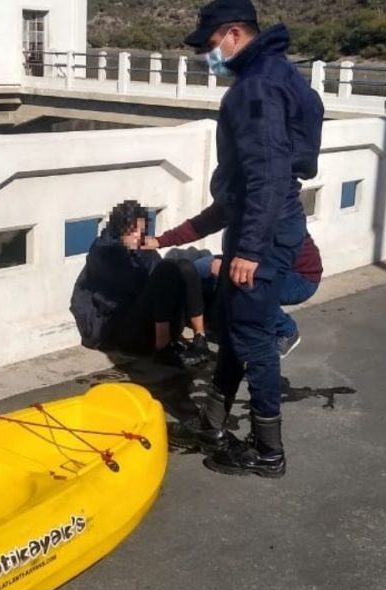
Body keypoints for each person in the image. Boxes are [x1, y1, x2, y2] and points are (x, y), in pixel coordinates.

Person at [153, 0, 324, 477]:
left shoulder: (256, 88)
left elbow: (266, 173)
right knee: (233, 328)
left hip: (262, 229)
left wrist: (248, 249)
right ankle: (211, 424)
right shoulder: (277, 73)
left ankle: (269, 451)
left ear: (232, 34)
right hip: (262, 218)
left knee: (252, 338)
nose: (208, 55)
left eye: (210, 45)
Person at [151, 214, 323, 358]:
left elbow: (272, 263)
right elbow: (202, 224)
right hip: (258, 265)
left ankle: (287, 331)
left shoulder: (273, 212)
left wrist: (227, 268)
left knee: (240, 283)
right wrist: (159, 241)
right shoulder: (237, 199)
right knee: (201, 267)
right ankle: (211, 325)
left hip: (299, 278)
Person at [70, 200, 211, 368]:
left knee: (184, 267)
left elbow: (157, 277)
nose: (139, 236)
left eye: (141, 230)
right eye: (133, 231)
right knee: (165, 271)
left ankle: (200, 338)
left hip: (154, 322)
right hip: (123, 329)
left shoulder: (141, 248)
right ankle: (162, 348)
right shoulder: (103, 252)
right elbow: (124, 291)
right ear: (119, 229)